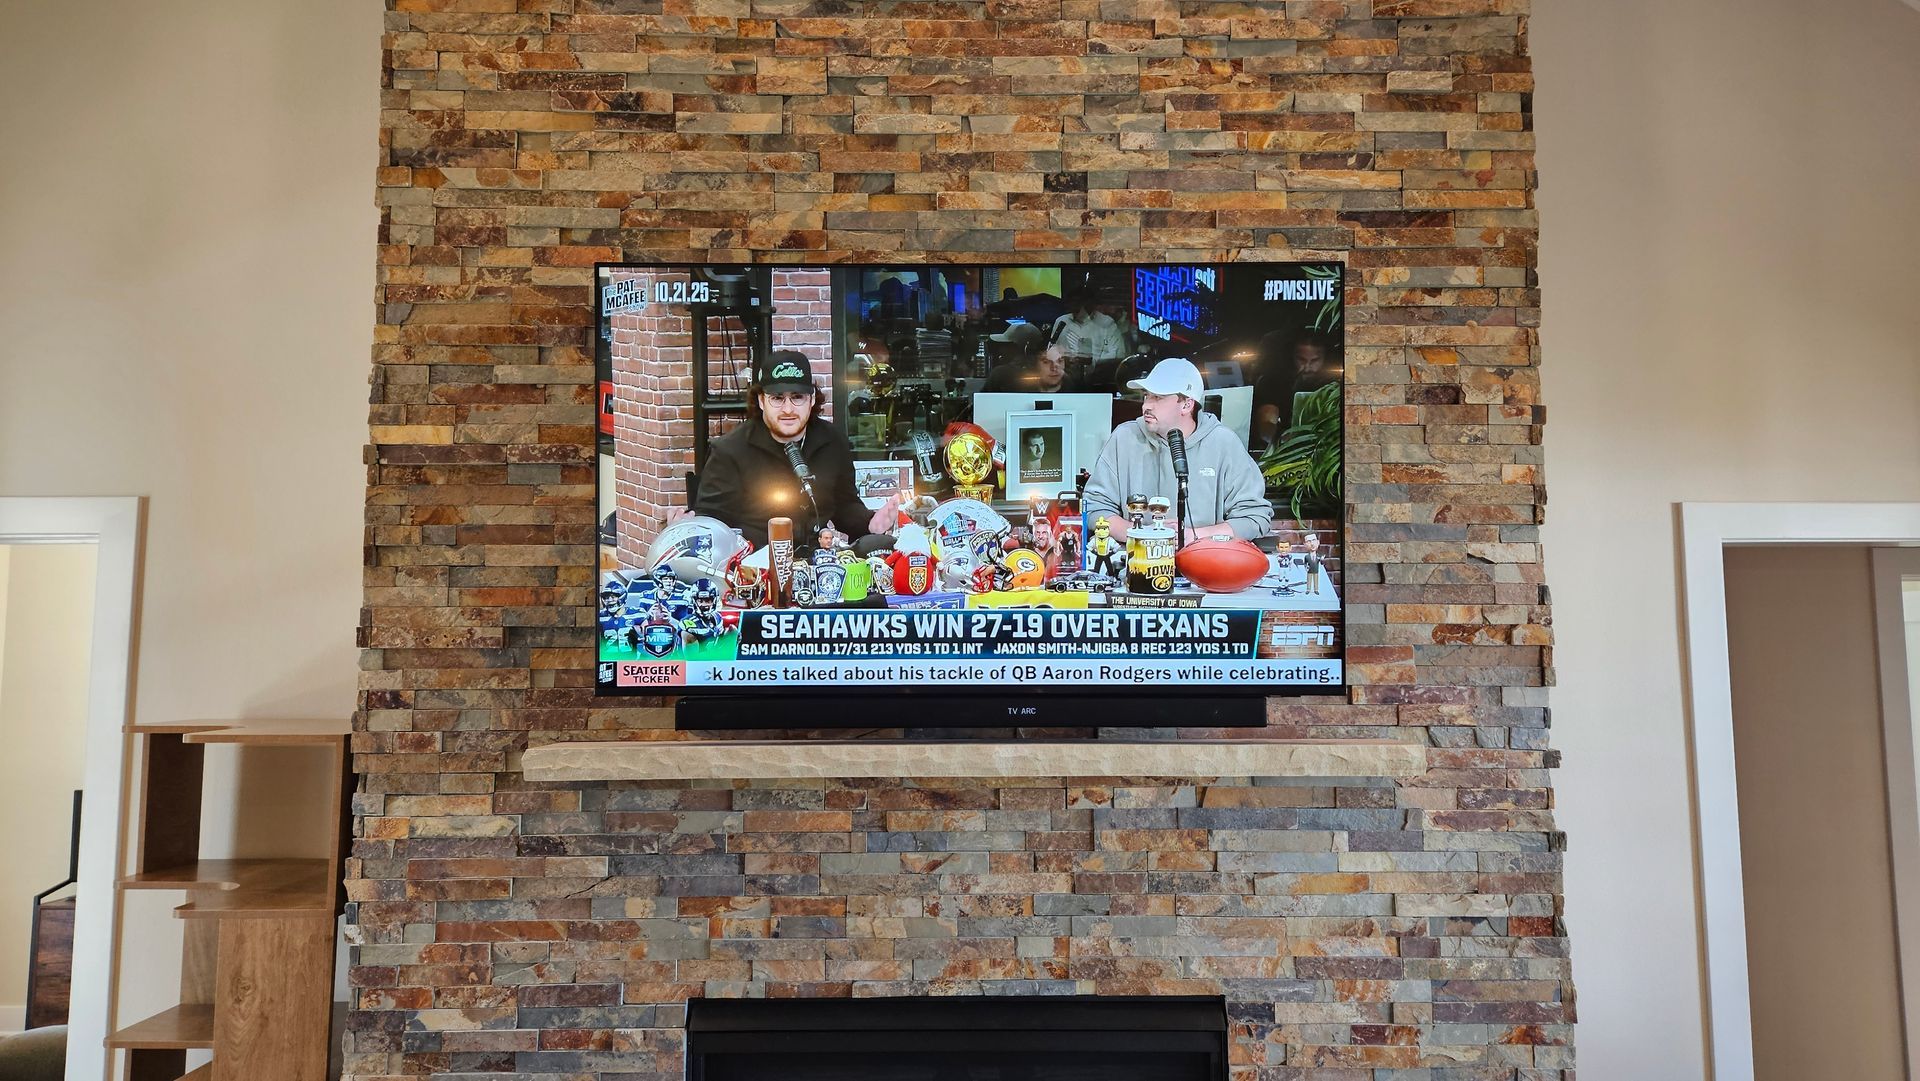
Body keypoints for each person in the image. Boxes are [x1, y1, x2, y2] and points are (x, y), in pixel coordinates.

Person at [693, 349, 898, 550]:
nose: (788, 409)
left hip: (816, 565)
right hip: (754, 570)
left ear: (811, 400)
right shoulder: (729, 450)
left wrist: (870, 523)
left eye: (797, 397)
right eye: (777, 398)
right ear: (761, 401)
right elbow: (711, 524)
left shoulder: (833, 441)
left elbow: (845, 506)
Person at [1083, 358, 1272, 544]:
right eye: (1146, 395)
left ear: (1186, 404)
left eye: (1158, 397)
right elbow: (1095, 508)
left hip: (1203, 565)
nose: (1146, 405)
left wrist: (1193, 536)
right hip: (1136, 564)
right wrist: (1140, 535)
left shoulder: (1223, 442)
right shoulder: (1124, 438)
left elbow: (1255, 517)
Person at [1252, 331, 1339, 448]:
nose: (1307, 367)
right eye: (1301, 360)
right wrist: (1284, 442)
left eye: (1314, 361)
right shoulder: (1275, 383)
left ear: (1324, 359)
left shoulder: (1334, 386)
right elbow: (1266, 423)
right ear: (1292, 357)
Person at [1048, 291, 1125, 365]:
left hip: (1097, 374)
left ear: (1090, 304)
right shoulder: (1062, 321)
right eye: (1072, 304)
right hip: (1065, 373)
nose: (1075, 307)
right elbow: (1052, 349)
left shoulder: (1107, 323)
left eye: (1079, 304)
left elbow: (1117, 354)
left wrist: (1092, 362)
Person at [983, 340, 1077, 394]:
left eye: (1060, 361)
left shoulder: (1076, 392)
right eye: (1046, 362)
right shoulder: (1015, 390)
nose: (1054, 368)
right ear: (1033, 364)